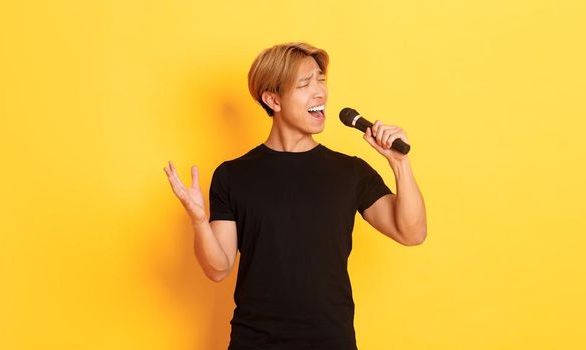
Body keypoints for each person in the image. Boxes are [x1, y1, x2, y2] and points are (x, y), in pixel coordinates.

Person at [163, 42, 427, 349]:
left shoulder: (350, 172)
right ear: (273, 99)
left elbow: (412, 232)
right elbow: (217, 269)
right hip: (254, 342)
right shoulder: (232, 176)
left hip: (331, 342)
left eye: (321, 80)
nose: (320, 92)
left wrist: (399, 164)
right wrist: (198, 221)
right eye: (305, 83)